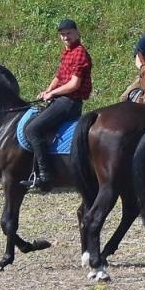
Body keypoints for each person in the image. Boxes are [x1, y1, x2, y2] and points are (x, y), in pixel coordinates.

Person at [23, 19, 92, 192]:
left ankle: (46, 175)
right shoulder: (67, 53)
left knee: (32, 129)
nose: (65, 37)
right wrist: (46, 91)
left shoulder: (80, 53)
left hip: (70, 102)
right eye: (62, 34)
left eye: (68, 33)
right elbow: (59, 77)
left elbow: (74, 84)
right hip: (61, 99)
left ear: (77, 32)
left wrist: (53, 93)